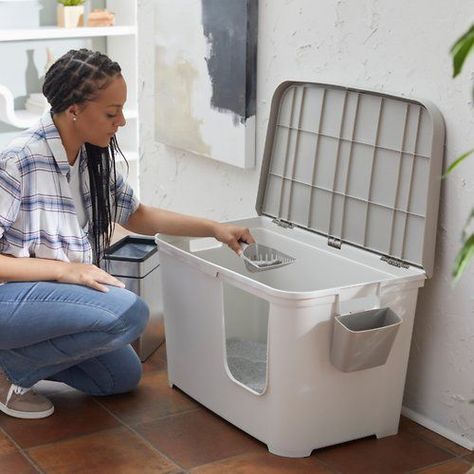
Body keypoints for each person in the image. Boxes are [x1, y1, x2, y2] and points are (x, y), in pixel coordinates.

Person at [0, 49, 254, 419]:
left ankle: (17, 358)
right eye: (110, 112)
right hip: (10, 300)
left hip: (51, 300)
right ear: (74, 110)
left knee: (120, 376)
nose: (121, 120)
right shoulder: (18, 160)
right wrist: (64, 271)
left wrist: (213, 228)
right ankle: (14, 373)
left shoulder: (89, 156)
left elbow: (136, 215)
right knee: (130, 313)